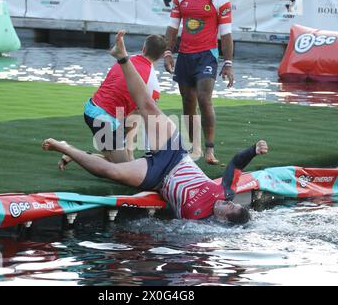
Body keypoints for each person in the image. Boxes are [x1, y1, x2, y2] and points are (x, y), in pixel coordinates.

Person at [43, 30, 268, 224]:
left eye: (228, 208)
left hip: (157, 177)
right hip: (177, 154)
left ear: (222, 219)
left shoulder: (197, 219)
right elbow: (237, 164)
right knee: (148, 106)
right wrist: (253, 150)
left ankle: (64, 148)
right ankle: (122, 57)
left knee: (113, 171)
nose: (225, 203)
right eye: (231, 203)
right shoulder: (225, 192)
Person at [58, 34, 167, 170]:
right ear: (162, 56)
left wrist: (128, 149)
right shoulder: (153, 82)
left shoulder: (126, 59)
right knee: (125, 170)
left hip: (95, 109)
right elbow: (149, 116)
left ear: (143, 48)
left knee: (118, 163)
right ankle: (68, 149)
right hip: (104, 118)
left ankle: (72, 153)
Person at [164, 0, 235, 165]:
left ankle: (209, 148)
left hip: (207, 56)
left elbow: (226, 34)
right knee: (188, 101)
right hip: (185, 56)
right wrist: (168, 53)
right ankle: (193, 147)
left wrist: (228, 63)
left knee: (204, 99)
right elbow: (172, 28)